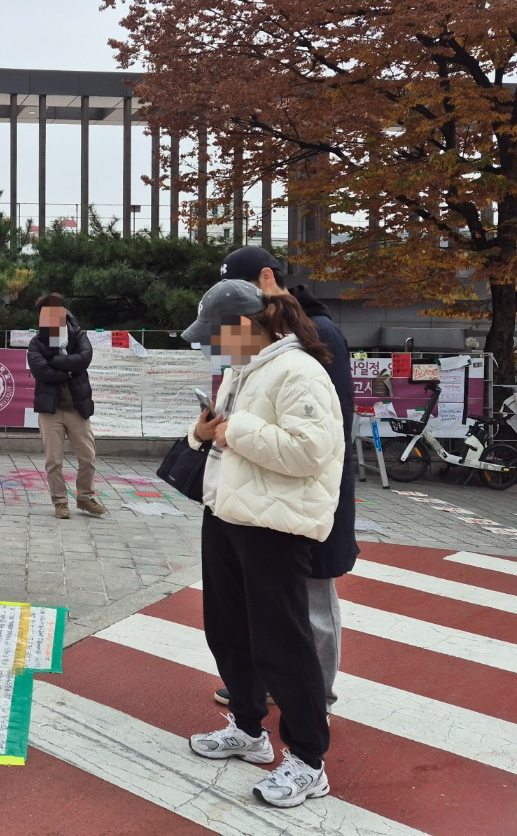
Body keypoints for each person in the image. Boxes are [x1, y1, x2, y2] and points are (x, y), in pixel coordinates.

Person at [182, 279, 344, 807]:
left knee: (283, 644)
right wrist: (203, 432)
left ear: (247, 327)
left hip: (275, 526)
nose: (212, 346)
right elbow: (224, 433)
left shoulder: (300, 371)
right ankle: (249, 730)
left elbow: (308, 453)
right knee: (227, 630)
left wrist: (233, 431)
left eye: (216, 335)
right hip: (228, 515)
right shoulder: (241, 371)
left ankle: (308, 760)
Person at [206, 247, 357, 714]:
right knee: (267, 607)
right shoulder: (260, 347)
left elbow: (320, 437)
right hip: (261, 496)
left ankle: (316, 693)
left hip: (301, 497)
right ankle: (269, 682)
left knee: (310, 600)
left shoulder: (316, 335)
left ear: (267, 281)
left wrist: (238, 431)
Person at [26, 293, 107, 520]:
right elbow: (41, 371)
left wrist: (58, 363)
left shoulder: (77, 335)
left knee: (88, 457)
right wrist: (70, 368)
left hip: (77, 408)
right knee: (54, 461)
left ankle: (85, 497)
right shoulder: (37, 342)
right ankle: (60, 502)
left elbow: (85, 358)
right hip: (50, 411)